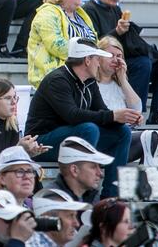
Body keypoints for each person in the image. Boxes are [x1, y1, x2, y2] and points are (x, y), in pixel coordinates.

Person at [26, 38, 138, 197]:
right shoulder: (57, 80)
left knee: (122, 132)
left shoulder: (90, 81)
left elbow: (102, 112)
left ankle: (111, 196)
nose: (99, 64)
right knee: (88, 129)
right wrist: (113, 115)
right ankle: (83, 192)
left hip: (71, 137)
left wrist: (125, 117)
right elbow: (72, 115)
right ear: (87, 60)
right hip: (42, 143)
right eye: (97, 59)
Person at [83, 0, 158, 125]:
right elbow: (94, 45)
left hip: (121, 57)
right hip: (104, 62)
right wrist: (117, 31)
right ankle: (134, 115)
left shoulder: (115, 9)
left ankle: (157, 113)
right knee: (143, 64)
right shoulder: (88, 10)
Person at [95, 36, 158, 167]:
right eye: (110, 55)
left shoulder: (120, 85)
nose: (116, 59)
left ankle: (147, 185)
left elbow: (137, 109)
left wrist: (123, 79)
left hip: (124, 140)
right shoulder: (90, 84)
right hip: (101, 142)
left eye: (119, 56)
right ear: (98, 57)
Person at [27, 0, 97, 88]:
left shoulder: (81, 15)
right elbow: (56, 45)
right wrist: (89, 56)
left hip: (82, 77)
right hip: (52, 80)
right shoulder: (47, 14)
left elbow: (94, 40)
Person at [0, 78, 47, 157]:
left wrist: (28, 153)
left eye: (15, 97)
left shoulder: (12, 123)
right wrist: (18, 149)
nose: (14, 102)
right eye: (8, 98)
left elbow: (11, 160)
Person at [45, 137, 113, 205]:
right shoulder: (53, 202)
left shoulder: (91, 195)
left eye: (99, 166)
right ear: (74, 170)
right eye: (93, 167)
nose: (100, 173)